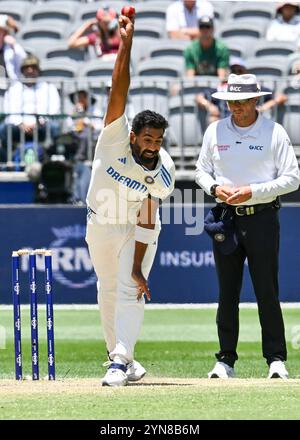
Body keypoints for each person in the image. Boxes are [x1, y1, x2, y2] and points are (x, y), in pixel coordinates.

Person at [85, 11, 175, 386]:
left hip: (137, 228)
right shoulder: (113, 138)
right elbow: (117, 88)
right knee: (106, 290)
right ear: (134, 135)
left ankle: (120, 362)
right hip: (99, 224)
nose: (153, 147)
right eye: (147, 139)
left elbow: (148, 218)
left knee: (128, 288)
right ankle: (120, 358)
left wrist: (139, 266)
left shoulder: (162, 171)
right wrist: (126, 43)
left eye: (158, 141)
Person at [195, 73, 300, 379]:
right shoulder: (215, 131)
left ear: (256, 100)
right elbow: (202, 170)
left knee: (267, 290)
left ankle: (276, 359)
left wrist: (253, 191)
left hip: (262, 217)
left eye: (241, 102)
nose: (236, 108)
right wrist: (215, 189)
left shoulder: (273, 132)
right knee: (227, 291)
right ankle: (225, 359)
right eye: (231, 102)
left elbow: (292, 177)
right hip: (226, 217)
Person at [0, 55, 61, 162]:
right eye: (27, 68)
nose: (30, 70)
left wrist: (41, 121)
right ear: (22, 71)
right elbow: (8, 111)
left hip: (41, 126)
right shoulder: (14, 89)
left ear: (38, 70)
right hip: (19, 127)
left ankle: (51, 161)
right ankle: (8, 161)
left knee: (55, 127)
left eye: (33, 67)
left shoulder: (48, 88)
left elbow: (54, 110)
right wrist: (20, 123)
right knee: (3, 129)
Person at [196, 56, 288, 124]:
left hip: (252, 122)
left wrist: (265, 107)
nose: (236, 73)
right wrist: (209, 106)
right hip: (225, 121)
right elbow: (199, 97)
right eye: (233, 71)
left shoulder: (253, 88)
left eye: (240, 70)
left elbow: (281, 97)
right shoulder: (221, 87)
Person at [184, 15, 229, 80]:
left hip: (215, 85)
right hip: (197, 85)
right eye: (202, 27)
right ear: (198, 29)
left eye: (207, 27)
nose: (205, 30)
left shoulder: (221, 49)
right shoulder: (191, 49)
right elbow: (190, 76)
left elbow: (221, 76)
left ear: (213, 29)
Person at [0, 14, 26, 80]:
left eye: (1, 31)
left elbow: (24, 62)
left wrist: (14, 45)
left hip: (10, 87)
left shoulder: (12, 48)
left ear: (5, 33)